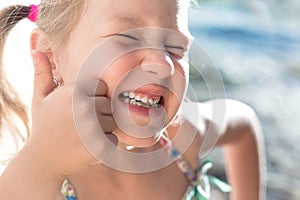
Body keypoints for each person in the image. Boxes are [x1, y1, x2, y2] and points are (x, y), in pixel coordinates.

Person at [0, 0, 265, 199]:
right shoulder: (38, 180)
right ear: (49, 53)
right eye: (129, 38)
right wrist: (41, 163)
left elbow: (244, 125)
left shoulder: (182, 140)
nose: (163, 65)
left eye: (175, 47)